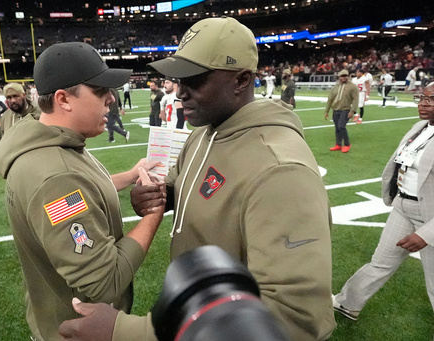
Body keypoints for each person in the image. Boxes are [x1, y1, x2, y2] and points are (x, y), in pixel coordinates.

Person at [59, 17, 335, 341]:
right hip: (200, 300)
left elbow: (294, 317)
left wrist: (126, 332)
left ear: (241, 80)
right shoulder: (205, 132)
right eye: (177, 80)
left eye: (194, 80)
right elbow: (180, 186)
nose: (180, 93)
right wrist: (156, 196)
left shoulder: (280, 171)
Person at [0, 42, 165, 341]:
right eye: (100, 90)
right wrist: (153, 215)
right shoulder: (56, 175)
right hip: (80, 329)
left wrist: (130, 175)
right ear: (63, 99)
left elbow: (81, 193)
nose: (111, 98)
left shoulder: (52, 144)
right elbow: (104, 283)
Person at [332, 82, 434, 327]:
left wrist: (427, 234)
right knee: (381, 262)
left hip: (431, 217)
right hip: (403, 207)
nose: (423, 102)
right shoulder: (420, 127)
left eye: (431, 99)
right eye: (422, 97)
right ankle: (348, 303)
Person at [324, 69, 359, 153]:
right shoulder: (335, 87)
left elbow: (355, 99)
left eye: (346, 76)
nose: (344, 77)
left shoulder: (352, 86)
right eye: (342, 76)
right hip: (336, 109)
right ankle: (338, 144)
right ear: (339, 77)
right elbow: (330, 99)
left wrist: (352, 111)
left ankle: (347, 144)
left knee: (341, 126)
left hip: (346, 109)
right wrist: (326, 111)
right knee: (337, 128)